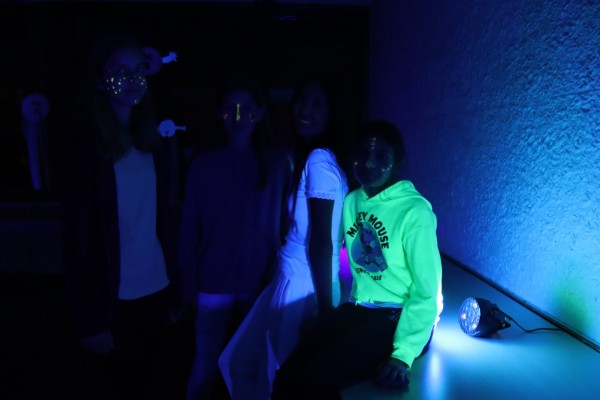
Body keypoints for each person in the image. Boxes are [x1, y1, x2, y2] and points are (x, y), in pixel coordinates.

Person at [270, 120, 444, 399]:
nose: (369, 163)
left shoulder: (415, 212)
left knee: (314, 379)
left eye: (381, 156)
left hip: (400, 314)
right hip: (360, 308)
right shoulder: (353, 200)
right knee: (287, 375)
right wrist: (327, 315)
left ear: (396, 161)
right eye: (362, 154)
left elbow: (427, 291)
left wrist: (402, 355)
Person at [59, 34, 182, 397]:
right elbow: (77, 235)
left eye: (138, 70)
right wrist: (90, 318)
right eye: (119, 71)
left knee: (152, 383)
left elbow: (162, 222)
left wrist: (174, 290)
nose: (131, 80)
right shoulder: (86, 144)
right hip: (114, 298)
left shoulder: (152, 142)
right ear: (99, 80)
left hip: (155, 288)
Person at [218, 71, 349, 400]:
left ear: (332, 113)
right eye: (302, 101)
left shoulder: (320, 159)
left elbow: (322, 240)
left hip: (302, 284)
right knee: (238, 363)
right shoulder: (310, 158)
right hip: (289, 275)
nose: (306, 109)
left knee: (276, 379)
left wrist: (325, 311)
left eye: (317, 105)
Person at [178, 74, 291, 400]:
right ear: (220, 113)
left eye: (246, 107)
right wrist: (186, 282)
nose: (238, 116)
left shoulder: (276, 162)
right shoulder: (203, 164)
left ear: (260, 112)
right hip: (213, 281)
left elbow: (286, 225)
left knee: (251, 367)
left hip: (260, 282)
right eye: (231, 108)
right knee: (207, 362)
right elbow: (189, 228)